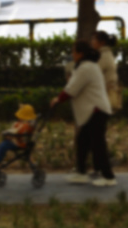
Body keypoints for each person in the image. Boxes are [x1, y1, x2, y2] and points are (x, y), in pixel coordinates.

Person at [50, 39, 116, 186]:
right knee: (83, 142)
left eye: (74, 52)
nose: (72, 54)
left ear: (80, 54)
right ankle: (81, 172)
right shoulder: (87, 66)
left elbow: (71, 90)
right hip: (94, 111)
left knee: (98, 145)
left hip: (96, 110)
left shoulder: (86, 68)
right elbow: (74, 85)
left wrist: (57, 100)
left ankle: (108, 177)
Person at [91, 30, 122, 113]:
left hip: (104, 95)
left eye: (94, 39)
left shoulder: (103, 56)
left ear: (102, 42)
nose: (92, 42)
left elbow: (91, 74)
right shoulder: (106, 54)